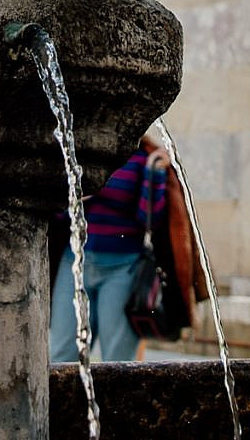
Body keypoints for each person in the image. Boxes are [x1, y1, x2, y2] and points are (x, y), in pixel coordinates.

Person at [49, 131, 170, 362]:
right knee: (62, 357)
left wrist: (154, 173)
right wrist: (73, 197)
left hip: (123, 270)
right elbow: (56, 215)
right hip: (75, 265)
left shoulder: (141, 158)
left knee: (118, 360)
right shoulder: (83, 151)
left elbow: (150, 220)